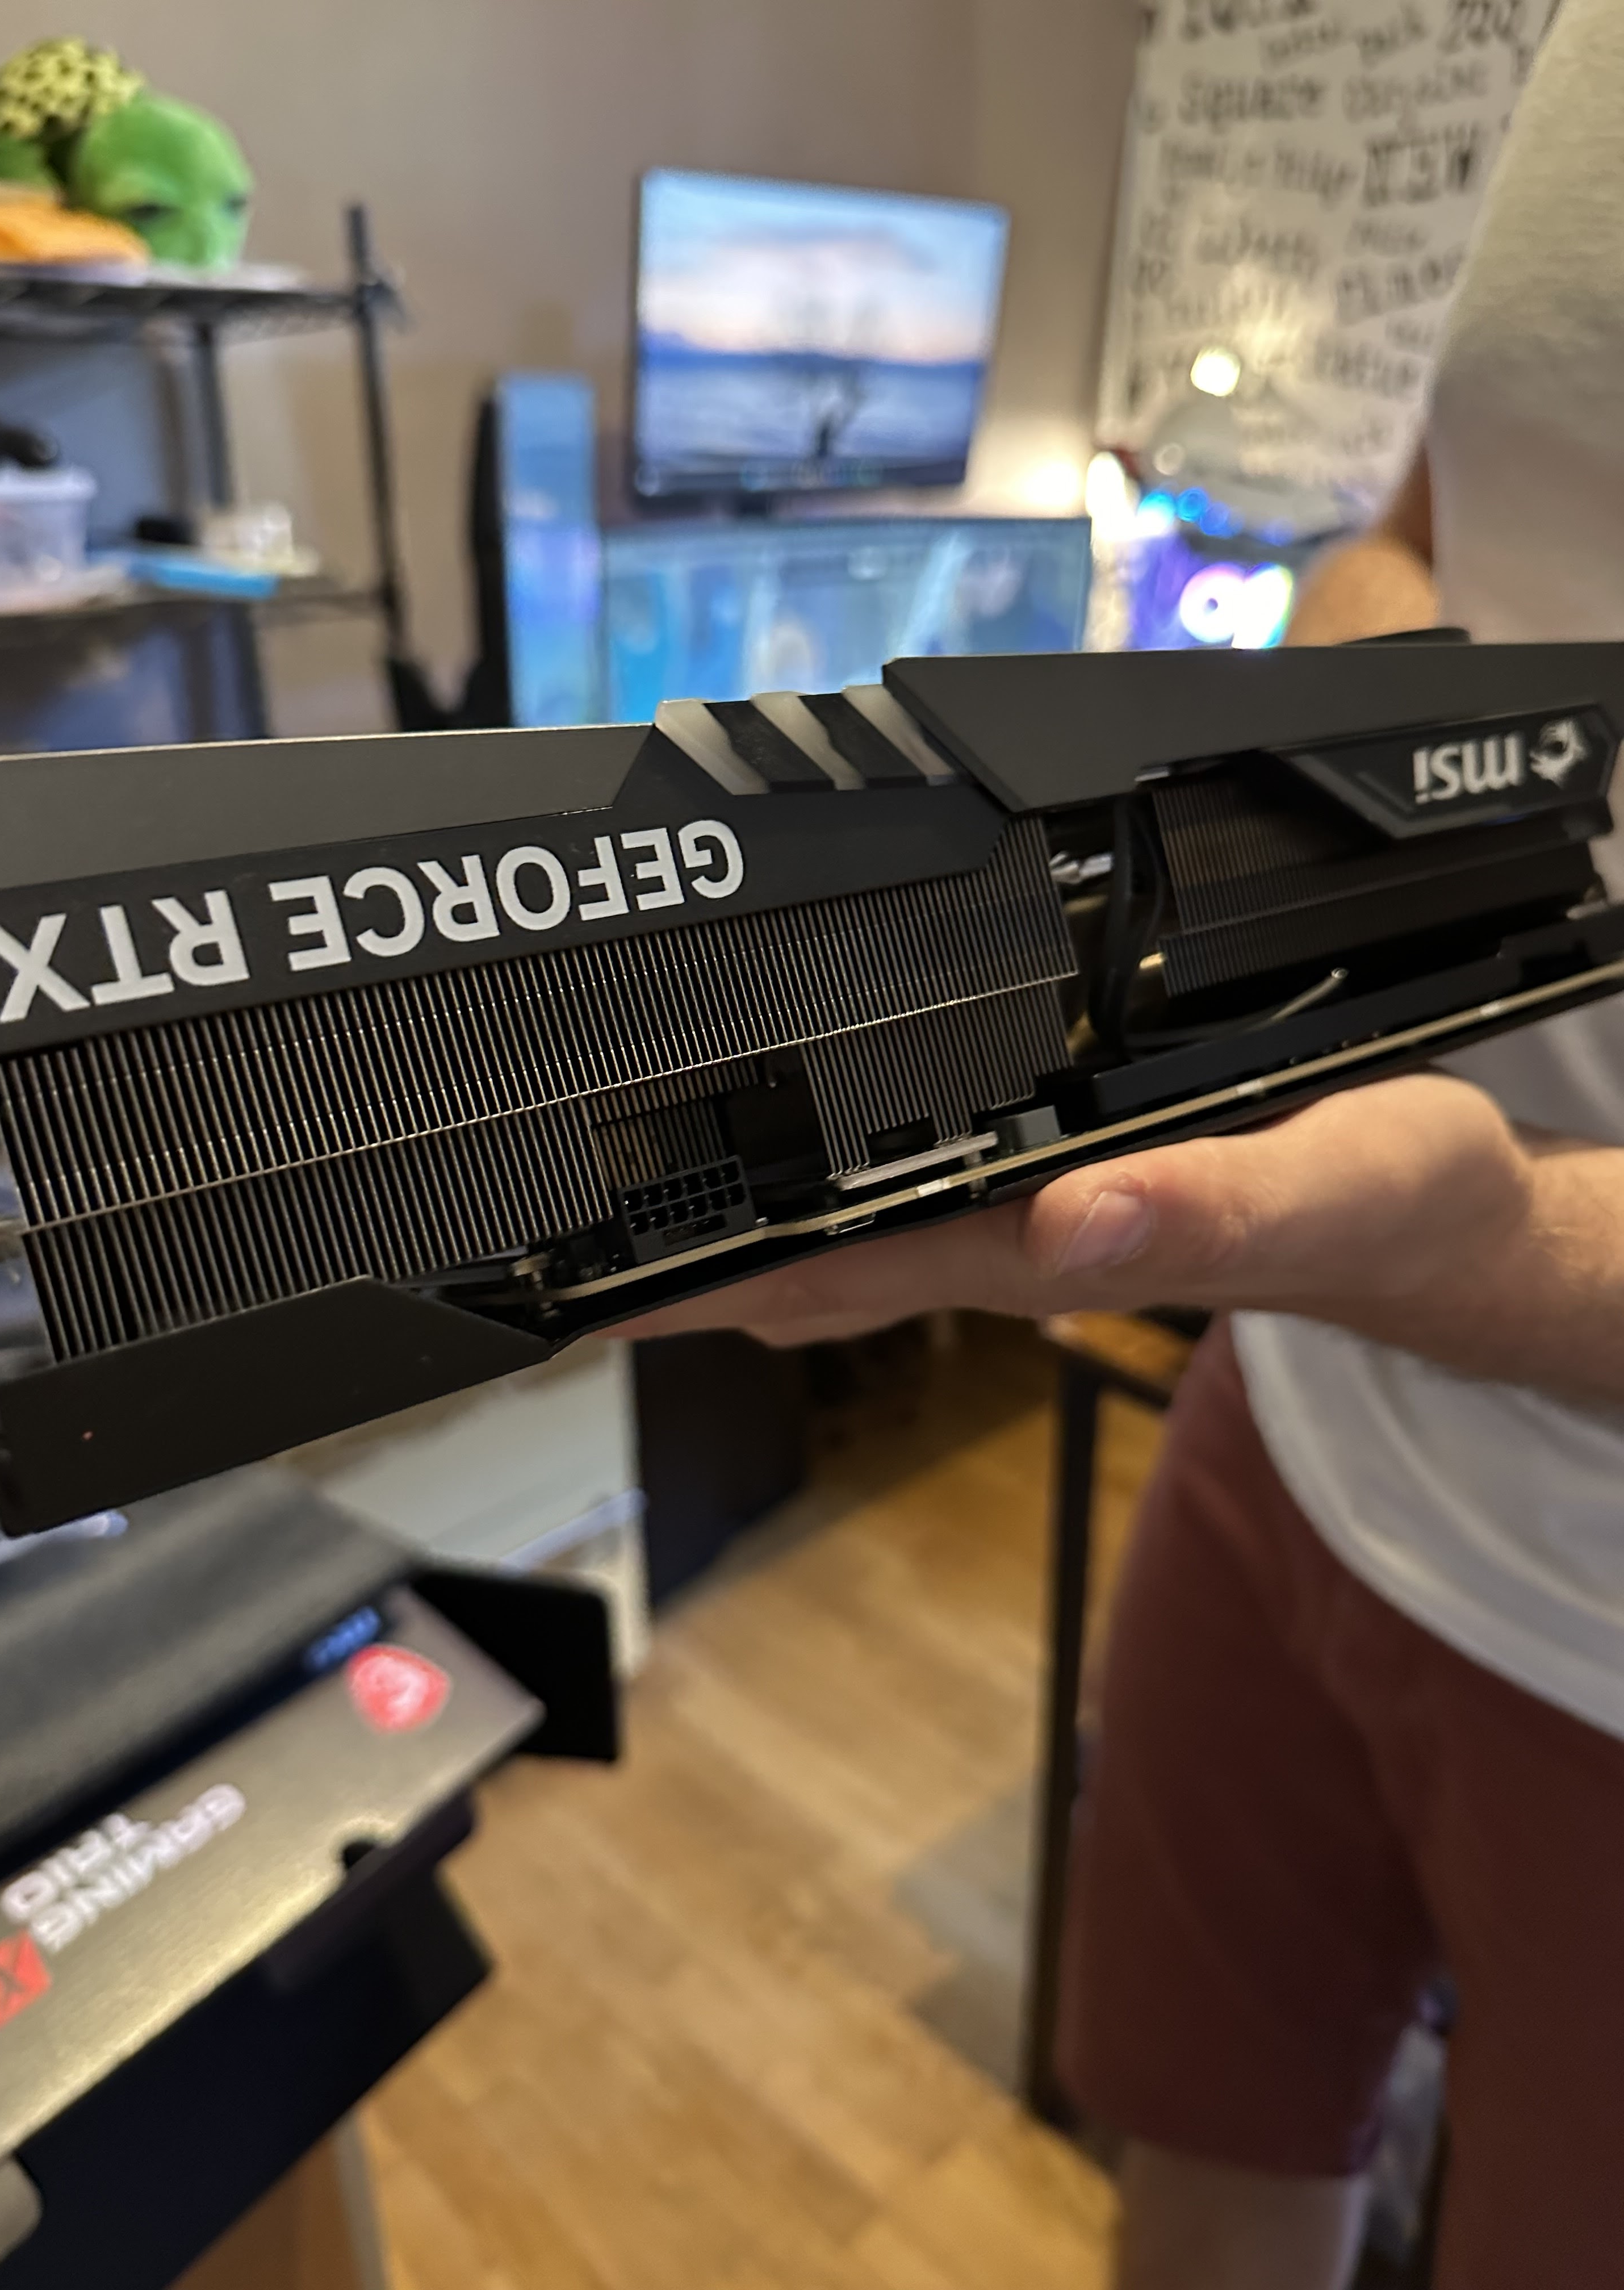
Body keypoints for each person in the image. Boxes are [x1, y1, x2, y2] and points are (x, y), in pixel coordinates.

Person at [623, 4, 1624, 2280]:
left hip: (1562, 1552)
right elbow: (1435, 523)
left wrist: (1476, 1256)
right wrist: (1313, 808)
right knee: (1193, 2151)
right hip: (1308, 1404)